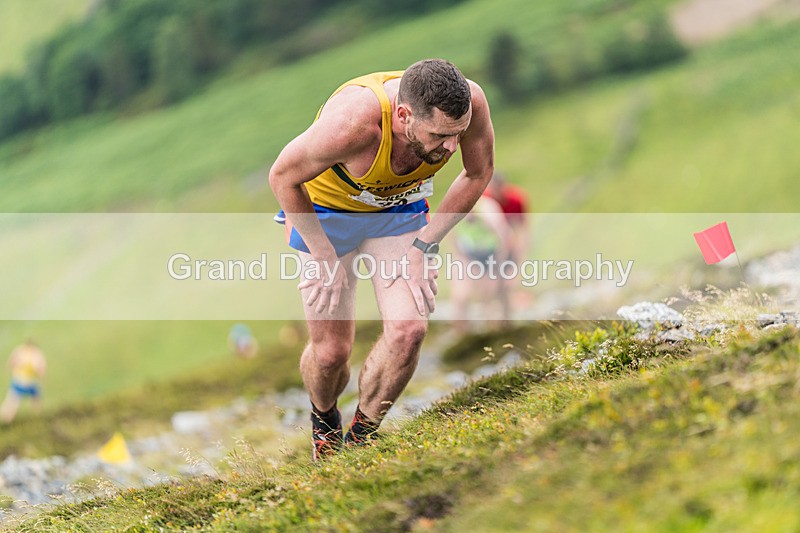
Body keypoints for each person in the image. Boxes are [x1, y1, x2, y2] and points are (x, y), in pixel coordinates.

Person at [269, 59, 495, 460]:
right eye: (440, 136)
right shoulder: (353, 124)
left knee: (409, 330)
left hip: (396, 212)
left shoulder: (469, 103)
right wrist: (323, 256)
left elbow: (478, 173)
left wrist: (425, 245)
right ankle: (324, 420)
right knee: (330, 353)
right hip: (325, 216)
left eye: (457, 135)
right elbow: (282, 177)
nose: (450, 148)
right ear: (404, 115)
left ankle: (361, 441)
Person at [450, 194, 512, 333]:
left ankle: (500, 327)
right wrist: (462, 260)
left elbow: (503, 240)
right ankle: (461, 333)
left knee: (491, 292)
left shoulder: (488, 213)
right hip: (469, 254)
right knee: (461, 295)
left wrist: (498, 266)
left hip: (493, 253)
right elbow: (452, 238)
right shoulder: (456, 212)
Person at [1, 340, 47, 424]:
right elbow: (12, 361)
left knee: (36, 399)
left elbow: (41, 368)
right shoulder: (21, 352)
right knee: (13, 403)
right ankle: (6, 420)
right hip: (20, 382)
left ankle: (39, 418)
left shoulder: (36, 355)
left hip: (30, 382)